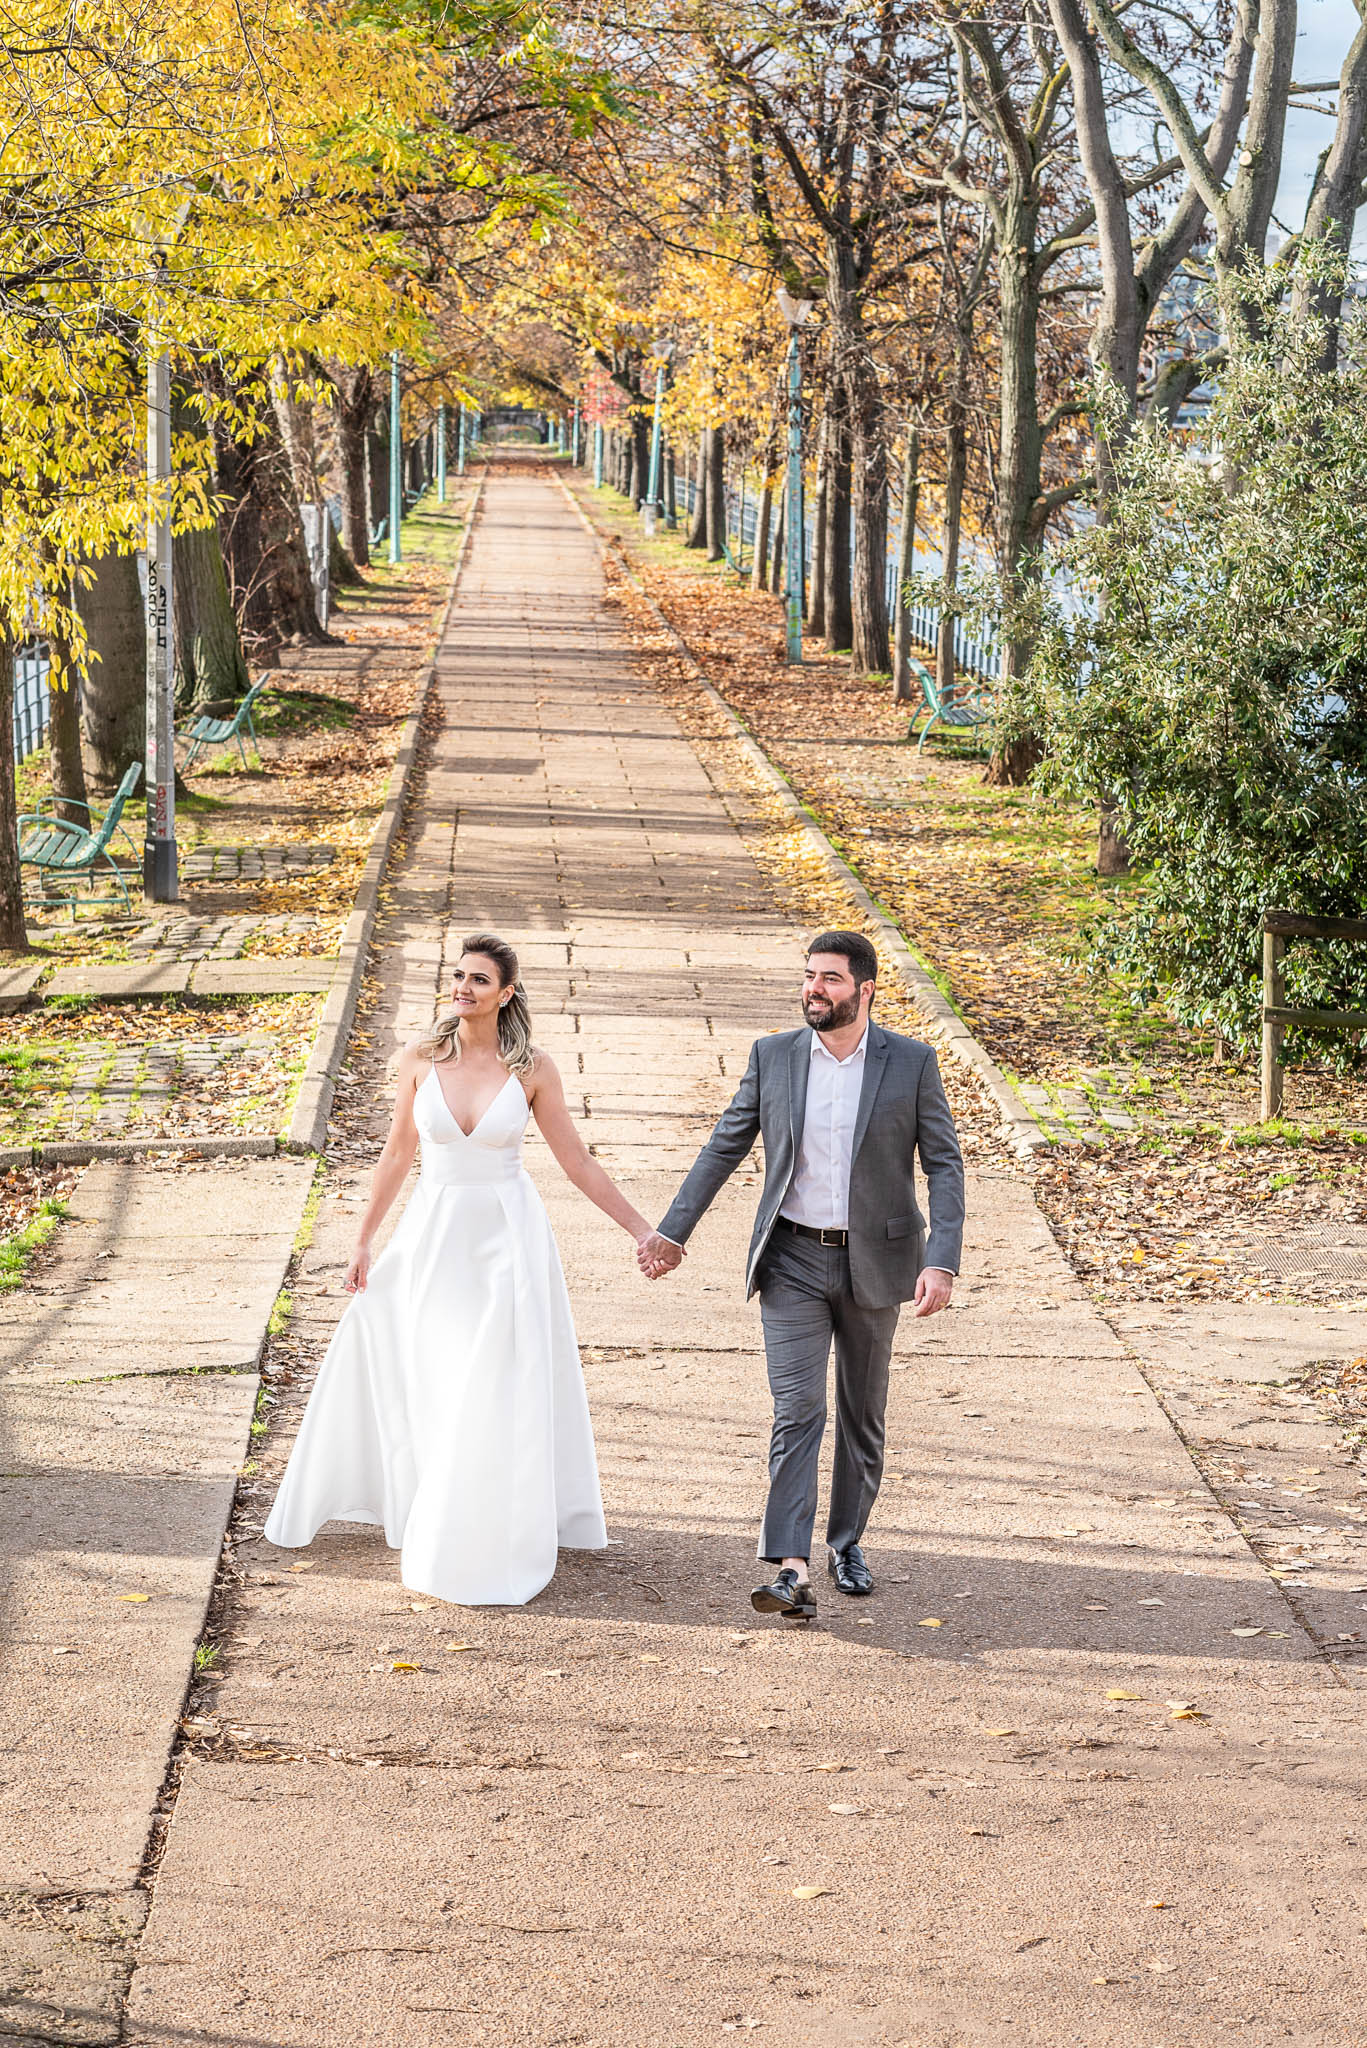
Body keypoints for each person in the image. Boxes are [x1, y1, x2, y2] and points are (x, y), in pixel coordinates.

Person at [264, 933, 655, 1607]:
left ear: (506, 993)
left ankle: (483, 1517)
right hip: (433, 1236)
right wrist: (362, 1242)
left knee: (493, 1379)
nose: (462, 988)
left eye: (479, 979)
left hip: (507, 1240)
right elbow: (394, 1156)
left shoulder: (533, 1069)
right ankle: (417, 1496)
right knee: (426, 1367)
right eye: (458, 976)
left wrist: (642, 1229)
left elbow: (577, 1163)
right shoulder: (418, 1059)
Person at [638, 930, 965, 1621]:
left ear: (864, 989)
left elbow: (943, 1164)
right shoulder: (775, 1057)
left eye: (830, 979)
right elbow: (725, 1142)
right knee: (797, 1411)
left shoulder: (909, 1063)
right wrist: (673, 1229)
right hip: (791, 1258)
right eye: (810, 976)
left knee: (860, 1414)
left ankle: (846, 1540)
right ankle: (790, 1567)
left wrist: (941, 1258)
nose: (814, 989)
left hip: (877, 1261)